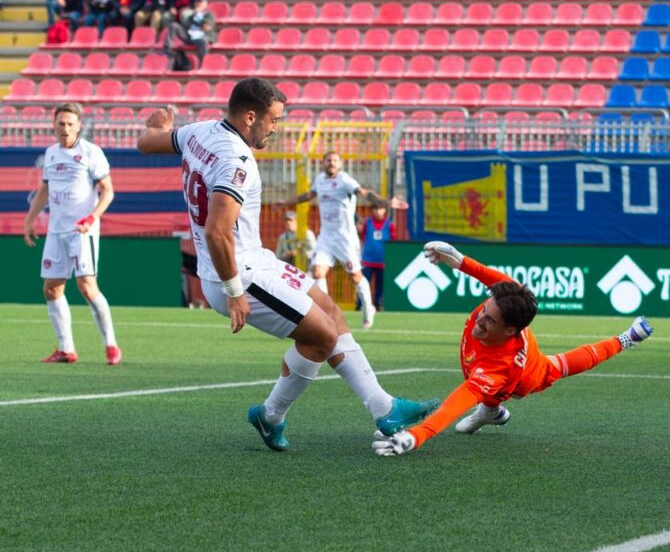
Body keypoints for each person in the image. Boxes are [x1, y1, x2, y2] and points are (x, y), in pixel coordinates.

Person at [136, 78, 438, 452]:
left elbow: (147, 143)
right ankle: (274, 415)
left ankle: (383, 407)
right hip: (238, 272)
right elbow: (217, 232)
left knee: (331, 312)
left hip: (254, 259)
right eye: (274, 120)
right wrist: (234, 291)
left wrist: (158, 126)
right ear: (250, 117)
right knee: (322, 336)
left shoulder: (197, 131)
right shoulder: (235, 160)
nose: (276, 128)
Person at [373, 242, 653, 456]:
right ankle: (491, 412)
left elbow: (453, 406)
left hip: (524, 377)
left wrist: (417, 435)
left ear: (509, 331)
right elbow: (488, 276)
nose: (479, 320)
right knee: (477, 372)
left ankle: (627, 338)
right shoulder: (507, 297)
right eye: (484, 310)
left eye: (489, 320)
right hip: (490, 362)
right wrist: (458, 260)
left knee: (560, 366)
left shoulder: (499, 368)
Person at [23, 103, 122, 366]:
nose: (65, 128)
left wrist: (92, 217)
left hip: (82, 230)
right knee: (51, 288)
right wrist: (30, 220)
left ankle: (111, 345)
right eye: (61, 123)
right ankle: (66, 349)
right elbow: (45, 189)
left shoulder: (91, 152)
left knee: (87, 287)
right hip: (56, 231)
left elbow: (108, 191)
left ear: (78, 126)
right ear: (54, 126)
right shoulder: (51, 153)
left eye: (70, 124)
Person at [277, 151, 382, 329]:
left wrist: (384, 202)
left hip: (345, 239)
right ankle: (327, 313)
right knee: (318, 272)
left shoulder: (345, 180)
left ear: (339, 164)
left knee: (355, 277)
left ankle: (368, 307)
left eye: (334, 160)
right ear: (323, 163)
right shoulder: (319, 180)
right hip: (326, 237)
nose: (331, 163)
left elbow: (362, 192)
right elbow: (308, 196)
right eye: (328, 160)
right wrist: (286, 202)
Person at [359, 199, 394, 312]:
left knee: (380, 285)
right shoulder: (367, 223)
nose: (378, 211)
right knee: (363, 283)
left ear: (385, 210)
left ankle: (378, 305)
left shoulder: (390, 225)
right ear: (372, 210)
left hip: (382, 261)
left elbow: (393, 242)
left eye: (381, 209)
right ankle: (360, 305)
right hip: (367, 260)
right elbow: (363, 237)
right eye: (375, 209)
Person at [164, 0, 216, 68]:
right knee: (174, 25)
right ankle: (167, 49)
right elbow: (186, 25)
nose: (199, 4)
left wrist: (199, 16)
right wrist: (193, 15)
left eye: (201, 2)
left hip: (201, 36)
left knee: (203, 42)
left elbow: (207, 27)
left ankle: (203, 64)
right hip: (190, 35)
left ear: (205, 4)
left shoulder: (209, 14)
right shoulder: (192, 15)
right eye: (197, 2)